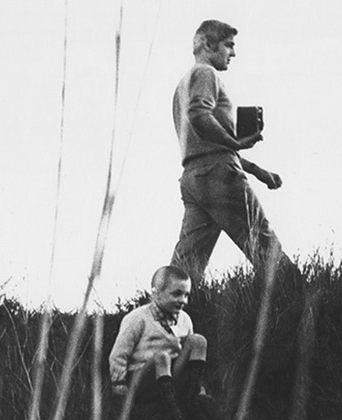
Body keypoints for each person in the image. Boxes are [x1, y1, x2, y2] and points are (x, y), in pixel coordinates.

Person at [170, 19, 289, 285]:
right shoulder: (206, 74)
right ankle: (302, 306)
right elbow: (200, 115)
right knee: (263, 244)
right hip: (218, 175)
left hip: (194, 178)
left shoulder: (183, 84)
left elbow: (206, 145)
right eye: (228, 45)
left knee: (186, 266)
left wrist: (257, 171)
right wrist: (235, 143)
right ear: (209, 44)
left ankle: (164, 319)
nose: (233, 53)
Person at [109, 266, 212, 420]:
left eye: (186, 295)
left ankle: (192, 398)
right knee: (162, 357)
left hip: (170, 378)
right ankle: (171, 412)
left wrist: (199, 385)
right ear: (156, 293)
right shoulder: (138, 319)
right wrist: (119, 384)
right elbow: (119, 354)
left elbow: (187, 353)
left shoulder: (184, 319)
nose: (183, 300)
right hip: (143, 380)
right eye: (177, 294)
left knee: (198, 340)